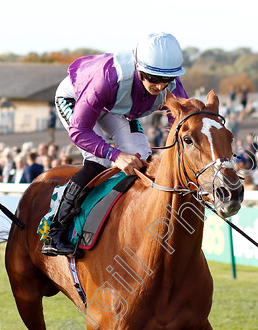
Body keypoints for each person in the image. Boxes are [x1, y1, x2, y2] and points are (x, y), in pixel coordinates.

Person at [42, 32, 189, 255]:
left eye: (166, 80)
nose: (160, 87)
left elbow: (182, 123)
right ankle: (55, 230)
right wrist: (115, 155)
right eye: (153, 78)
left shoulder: (171, 85)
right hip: (78, 97)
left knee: (141, 157)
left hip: (114, 106)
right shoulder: (107, 79)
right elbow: (79, 131)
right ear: (139, 68)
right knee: (99, 159)